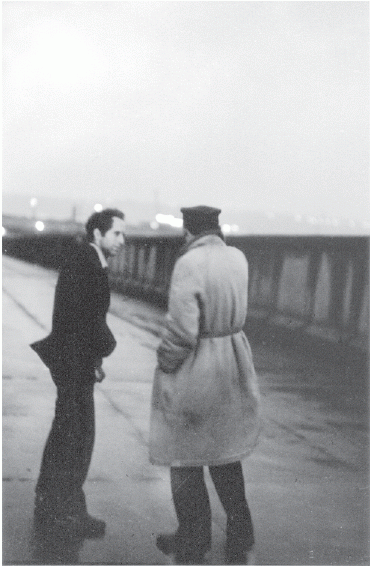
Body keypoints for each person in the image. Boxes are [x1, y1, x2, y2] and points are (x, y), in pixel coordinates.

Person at [149, 205, 261, 565]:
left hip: (198, 367)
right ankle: (242, 529)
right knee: (225, 453)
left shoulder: (189, 263)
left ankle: (192, 537)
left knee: (184, 456)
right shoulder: (238, 259)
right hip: (233, 360)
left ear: (188, 231)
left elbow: (182, 331)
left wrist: (165, 360)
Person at [30, 208, 125, 539]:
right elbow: (86, 319)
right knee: (76, 438)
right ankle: (65, 510)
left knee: (66, 431)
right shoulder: (87, 263)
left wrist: (96, 355)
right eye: (117, 234)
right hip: (74, 363)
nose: (122, 240)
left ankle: (51, 500)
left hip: (73, 361)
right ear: (98, 234)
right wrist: (104, 349)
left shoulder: (86, 260)